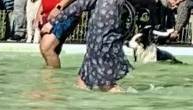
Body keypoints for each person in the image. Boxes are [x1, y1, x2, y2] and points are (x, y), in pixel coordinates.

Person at [46, 0, 174, 88]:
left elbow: (80, 4)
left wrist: (54, 21)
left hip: (102, 39)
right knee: (83, 80)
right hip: (100, 39)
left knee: (106, 86)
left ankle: (127, 107)